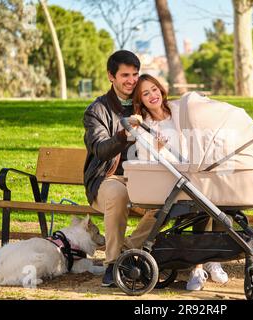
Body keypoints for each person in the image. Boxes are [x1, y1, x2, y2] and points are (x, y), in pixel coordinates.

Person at [132, 74, 229, 291]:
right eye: (145, 94)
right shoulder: (144, 126)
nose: (152, 95)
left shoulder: (178, 111)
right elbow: (144, 161)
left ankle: (212, 258)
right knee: (200, 205)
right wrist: (156, 149)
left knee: (223, 200)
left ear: (161, 89)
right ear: (141, 100)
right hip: (168, 182)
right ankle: (198, 267)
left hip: (194, 171)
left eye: (154, 89)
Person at [83, 50, 159, 288]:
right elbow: (100, 149)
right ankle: (113, 263)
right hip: (107, 180)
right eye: (125, 75)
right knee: (118, 194)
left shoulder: (144, 102)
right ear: (111, 76)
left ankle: (126, 252)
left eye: (135, 74)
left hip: (142, 180)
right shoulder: (97, 111)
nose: (131, 80)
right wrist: (123, 135)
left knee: (168, 200)